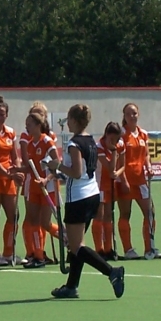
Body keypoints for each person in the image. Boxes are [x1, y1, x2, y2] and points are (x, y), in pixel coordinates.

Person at [47, 104, 125, 299]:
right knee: (78, 244)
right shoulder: (90, 140)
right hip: (92, 194)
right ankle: (71, 286)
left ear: (74, 120)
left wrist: (57, 166)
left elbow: (76, 172)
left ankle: (112, 272)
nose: (67, 123)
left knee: (76, 247)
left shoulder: (74, 144)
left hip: (78, 197)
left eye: (69, 119)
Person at [0, 96, 23, 266]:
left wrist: (17, 170)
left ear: (7, 115)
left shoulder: (11, 132)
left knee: (14, 215)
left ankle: (9, 252)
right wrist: (9, 174)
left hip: (9, 179)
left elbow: (15, 156)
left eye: (2, 114)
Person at [116, 103, 157, 260]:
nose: (132, 116)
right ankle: (128, 250)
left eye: (134, 113)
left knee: (150, 212)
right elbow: (118, 159)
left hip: (140, 180)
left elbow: (146, 154)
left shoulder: (143, 134)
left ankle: (149, 247)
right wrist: (123, 180)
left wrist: (149, 167)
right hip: (125, 180)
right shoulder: (121, 134)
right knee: (125, 213)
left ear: (138, 114)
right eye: (128, 114)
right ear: (124, 116)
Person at [20, 111, 58, 268]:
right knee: (33, 221)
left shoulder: (47, 141)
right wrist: (17, 169)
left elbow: (57, 164)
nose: (27, 128)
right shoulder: (30, 144)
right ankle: (38, 255)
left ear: (38, 125)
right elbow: (31, 167)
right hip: (34, 186)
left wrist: (47, 179)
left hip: (47, 187)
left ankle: (68, 239)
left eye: (29, 125)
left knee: (45, 222)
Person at [94, 122, 124, 261]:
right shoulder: (99, 147)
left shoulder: (120, 144)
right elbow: (109, 167)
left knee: (108, 216)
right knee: (99, 216)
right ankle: (99, 249)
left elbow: (122, 165)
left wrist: (118, 173)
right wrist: (113, 151)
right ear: (106, 135)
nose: (114, 142)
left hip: (111, 184)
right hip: (99, 184)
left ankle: (108, 248)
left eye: (116, 139)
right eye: (112, 139)